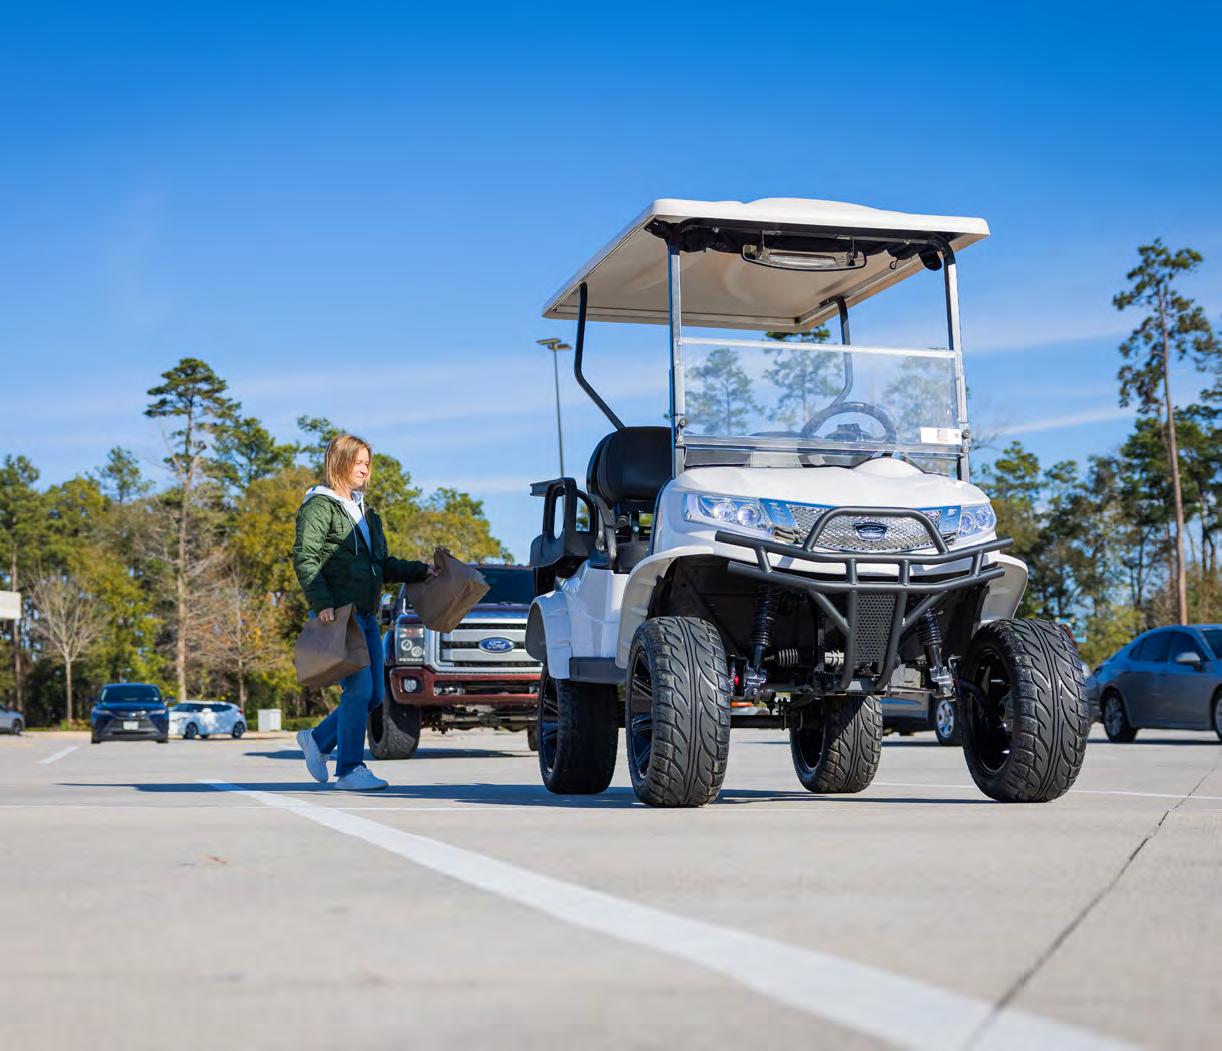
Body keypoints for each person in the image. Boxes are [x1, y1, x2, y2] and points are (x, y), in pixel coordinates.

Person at [291, 434, 434, 790]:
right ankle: (349, 769)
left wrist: (421, 571)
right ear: (339, 462)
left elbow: (381, 565)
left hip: (367, 615)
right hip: (340, 615)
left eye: (367, 463)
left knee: (373, 696)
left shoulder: (367, 513)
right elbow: (306, 557)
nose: (364, 469)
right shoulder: (319, 506)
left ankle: (318, 740)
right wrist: (322, 602)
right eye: (358, 462)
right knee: (358, 690)